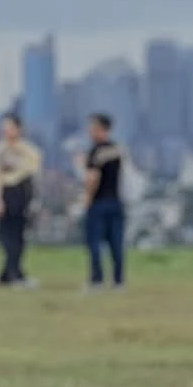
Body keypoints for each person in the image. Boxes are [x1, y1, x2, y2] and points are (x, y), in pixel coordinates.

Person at [0, 113, 42, 288]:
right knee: (6, 236)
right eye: (4, 127)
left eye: (9, 127)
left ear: (19, 129)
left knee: (18, 236)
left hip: (22, 192)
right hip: (5, 192)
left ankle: (11, 273)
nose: (5, 131)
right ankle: (12, 273)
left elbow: (30, 172)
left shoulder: (30, 151)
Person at [80, 114, 127, 288]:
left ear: (102, 129)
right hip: (116, 201)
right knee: (116, 243)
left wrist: (87, 198)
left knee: (95, 242)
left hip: (99, 202)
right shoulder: (117, 150)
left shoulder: (96, 151)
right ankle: (118, 280)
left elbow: (92, 177)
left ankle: (97, 279)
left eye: (93, 128)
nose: (90, 132)